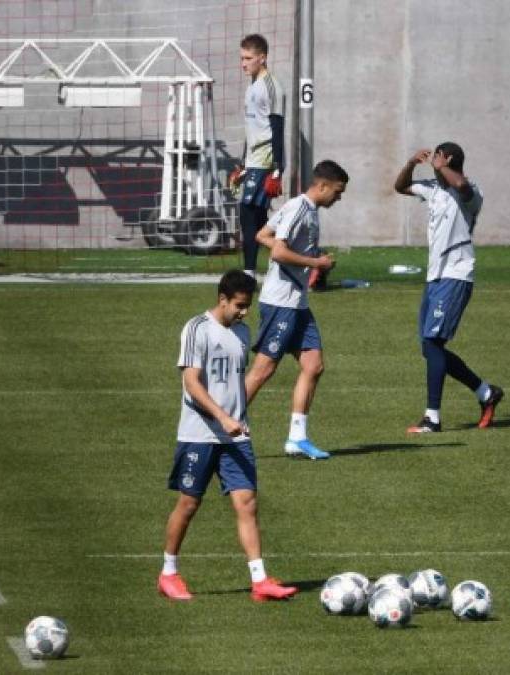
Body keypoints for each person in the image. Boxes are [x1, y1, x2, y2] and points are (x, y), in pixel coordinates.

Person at [157, 270, 298, 603]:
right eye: (239, 305)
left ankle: (260, 580)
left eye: (247, 306)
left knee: (247, 503)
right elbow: (191, 383)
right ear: (222, 299)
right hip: (199, 435)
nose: (244, 312)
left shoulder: (241, 332)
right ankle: (168, 573)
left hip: (235, 438)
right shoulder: (196, 330)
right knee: (189, 503)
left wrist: (238, 418)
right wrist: (222, 417)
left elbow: (235, 384)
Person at [394, 143, 503, 432]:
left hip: (456, 274)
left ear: (449, 160)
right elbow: (401, 187)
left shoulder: (470, 191)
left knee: (432, 344)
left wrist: (443, 168)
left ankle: (432, 418)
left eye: (439, 158)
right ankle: (486, 393)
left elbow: (463, 187)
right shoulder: (433, 188)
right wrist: (410, 164)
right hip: (435, 276)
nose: (434, 162)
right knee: (430, 348)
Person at [244, 160, 346, 460]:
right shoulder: (300, 209)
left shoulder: (302, 208)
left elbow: (262, 235)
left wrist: (303, 259)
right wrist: (316, 263)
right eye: (337, 192)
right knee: (263, 371)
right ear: (323, 185)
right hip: (280, 303)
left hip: (297, 303)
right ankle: (222, 426)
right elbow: (276, 250)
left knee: (313, 365)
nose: (338, 198)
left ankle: (297, 438)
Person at [230, 34, 285, 280]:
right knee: (259, 219)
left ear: (262, 58)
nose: (243, 63)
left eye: (248, 58)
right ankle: (290, 261)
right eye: (242, 58)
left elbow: (277, 127)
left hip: (265, 160)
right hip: (253, 160)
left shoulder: (271, 86)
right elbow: (251, 128)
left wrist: (277, 167)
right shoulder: (251, 86)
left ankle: (249, 273)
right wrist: (242, 162)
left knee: (248, 214)